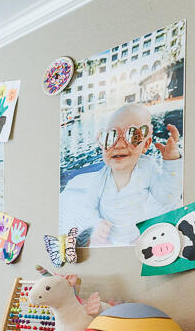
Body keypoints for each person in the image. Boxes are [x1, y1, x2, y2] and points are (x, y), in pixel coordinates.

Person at [59, 103, 182, 247]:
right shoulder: (102, 177)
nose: (119, 145)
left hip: (137, 234)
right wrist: (97, 224)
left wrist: (171, 162)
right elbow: (88, 206)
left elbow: (167, 197)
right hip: (108, 236)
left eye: (132, 135)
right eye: (110, 137)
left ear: (145, 144)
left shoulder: (147, 167)